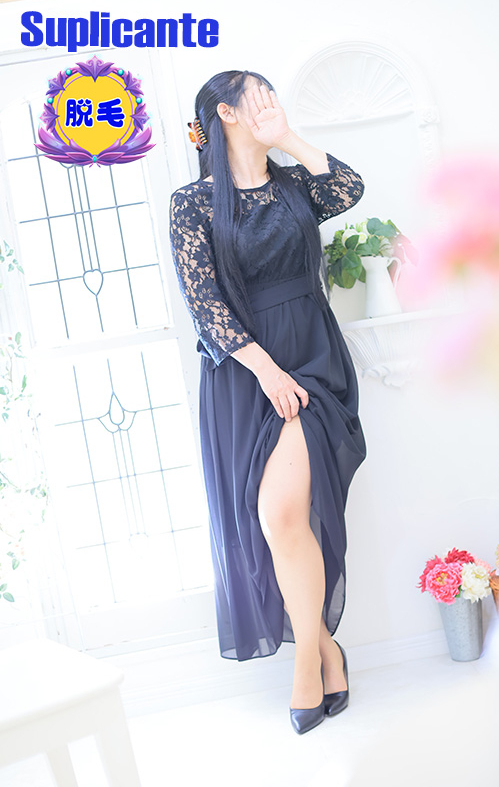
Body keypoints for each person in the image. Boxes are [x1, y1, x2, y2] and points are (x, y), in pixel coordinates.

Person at [169, 70, 367, 734]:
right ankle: (327, 650)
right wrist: (265, 372)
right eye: (257, 97)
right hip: (244, 373)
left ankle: (306, 664)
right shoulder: (192, 203)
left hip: (311, 359)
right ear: (225, 113)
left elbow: (348, 188)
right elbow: (204, 305)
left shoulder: (293, 186)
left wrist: (289, 138)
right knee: (279, 523)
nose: (269, 104)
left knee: (281, 511)